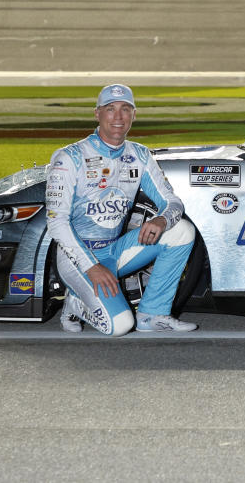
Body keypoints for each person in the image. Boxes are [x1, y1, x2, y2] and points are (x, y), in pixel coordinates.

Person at [47, 84, 197, 335]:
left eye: (125, 109)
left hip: (115, 251)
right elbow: (56, 223)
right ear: (97, 114)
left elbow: (173, 202)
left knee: (182, 231)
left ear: (134, 115)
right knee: (120, 326)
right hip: (76, 258)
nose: (118, 117)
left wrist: (161, 220)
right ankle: (74, 302)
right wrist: (91, 267)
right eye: (110, 109)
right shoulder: (69, 156)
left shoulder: (139, 154)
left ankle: (152, 314)